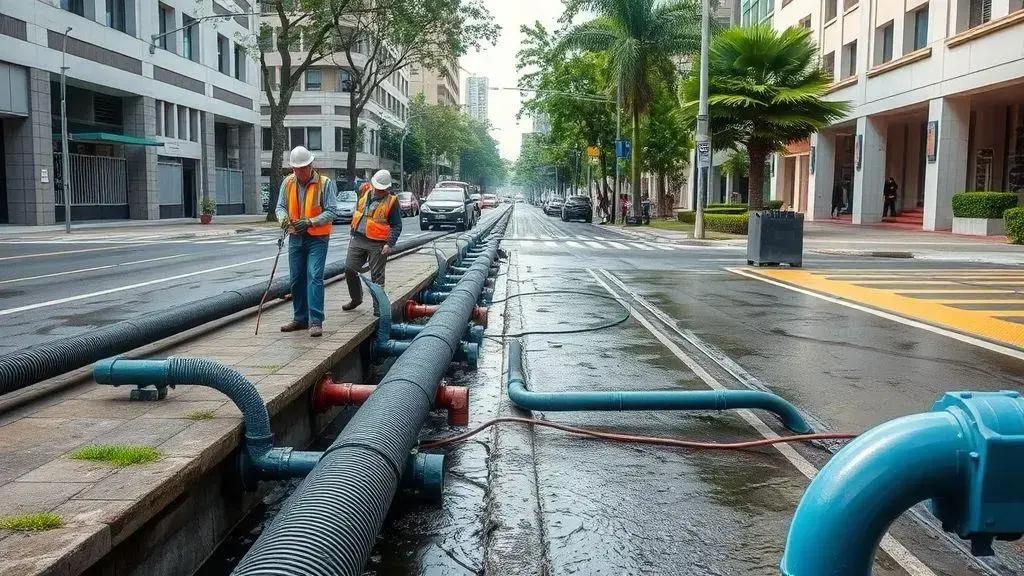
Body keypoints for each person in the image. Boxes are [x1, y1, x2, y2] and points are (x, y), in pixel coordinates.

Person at [276, 146, 338, 338]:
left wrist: (311, 221)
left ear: (311, 165)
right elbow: (280, 207)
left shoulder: (325, 184)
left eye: (303, 168)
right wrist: (283, 219)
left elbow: (331, 211)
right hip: (296, 237)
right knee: (296, 279)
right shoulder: (287, 183)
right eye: (296, 169)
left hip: (317, 238)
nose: (299, 172)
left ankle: (316, 321)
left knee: (314, 276)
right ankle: (300, 318)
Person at [343, 169, 402, 311]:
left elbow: (397, 225)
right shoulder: (364, 191)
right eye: (377, 188)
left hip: (378, 243)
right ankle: (356, 299)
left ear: (388, 188)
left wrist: (390, 243)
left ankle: (378, 307)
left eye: (383, 189)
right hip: (358, 238)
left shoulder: (392, 201)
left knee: (377, 276)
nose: (379, 191)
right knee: (350, 269)